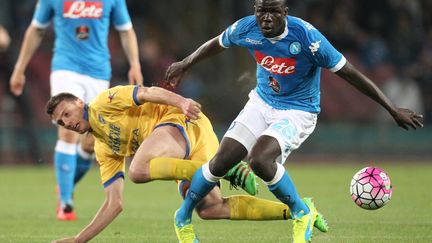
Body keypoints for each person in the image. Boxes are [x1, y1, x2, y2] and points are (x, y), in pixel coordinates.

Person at [164, 0, 424, 242]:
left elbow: (351, 74)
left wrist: (391, 109)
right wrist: (185, 64)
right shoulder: (246, 28)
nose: (266, 18)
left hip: (298, 110)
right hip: (261, 102)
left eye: (273, 11)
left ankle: (301, 212)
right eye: (261, 10)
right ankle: (182, 216)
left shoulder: (308, 38)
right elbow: (217, 43)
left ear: (285, 13)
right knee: (222, 160)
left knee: (259, 160)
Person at [46, 85, 325, 242]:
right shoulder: (103, 148)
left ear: (79, 102)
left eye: (67, 113)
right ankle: (300, 211)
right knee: (210, 208)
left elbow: (145, 92)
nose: (68, 122)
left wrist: (181, 102)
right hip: (190, 145)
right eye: (61, 122)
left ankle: (226, 167)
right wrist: (78, 240)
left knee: (139, 169)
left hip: (179, 122)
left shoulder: (102, 103)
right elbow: (114, 203)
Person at [9, 0, 143, 220]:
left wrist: (135, 64)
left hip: (99, 73)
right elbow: (36, 29)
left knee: (90, 143)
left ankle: (65, 183)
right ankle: (65, 203)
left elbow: (126, 30)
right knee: (67, 128)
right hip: (65, 68)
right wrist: (19, 68)